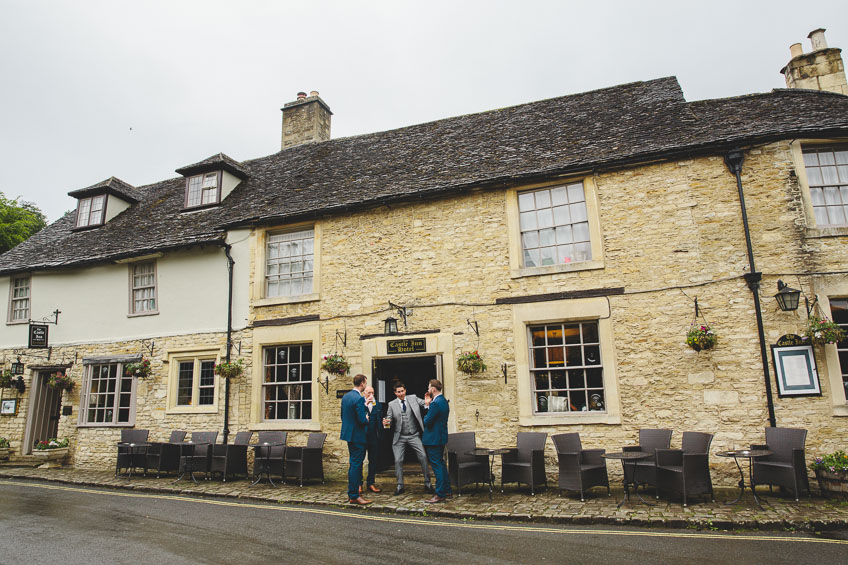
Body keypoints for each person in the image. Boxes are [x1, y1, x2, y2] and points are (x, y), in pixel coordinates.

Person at [382, 380, 433, 496]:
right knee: (398, 460)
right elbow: (388, 422)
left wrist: (427, 402)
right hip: (399, 437)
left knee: (423, 456)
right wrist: (385, 422)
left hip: (414, 435)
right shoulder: (391, 404)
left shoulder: (413, 398)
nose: (401, 393)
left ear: (405, 390)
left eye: (402, 391)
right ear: (395, 393)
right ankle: (400, 485)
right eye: (398, 392)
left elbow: (425, 404)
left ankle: (427, 483)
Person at [340, 374, 371, 505]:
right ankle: (354, 495)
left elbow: (343, 416)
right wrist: (367, 419)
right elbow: (361, 419)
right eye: (365, 383)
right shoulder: (358, 398)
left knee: (354, 463)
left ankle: (352, 492)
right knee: (356, 464)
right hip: (357, 435)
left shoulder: (346, 397)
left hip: (348, 434)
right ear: (363, 383)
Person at [422, 378, 450, 503]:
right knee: (441, 464)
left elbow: (427, 421)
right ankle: (447, 489)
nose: (428, 390)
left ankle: (440, 494)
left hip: (433, 439)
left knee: (437, 466)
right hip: (441, 437)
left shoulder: (435, 403)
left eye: (429, 388)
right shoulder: (443, 400)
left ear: (433, 389)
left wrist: (427, 406)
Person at [362, 385, 383, 493]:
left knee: (373, 460)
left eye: (372, 393)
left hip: (374, 436)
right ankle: (358, 484)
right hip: (362, 436)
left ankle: (371, 483)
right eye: (368, 393)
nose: (371, 395)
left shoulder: (377, 404)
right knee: (359, 461)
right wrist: (365, 404)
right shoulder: (360, 403)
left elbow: (380, 418)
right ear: (364, 393)